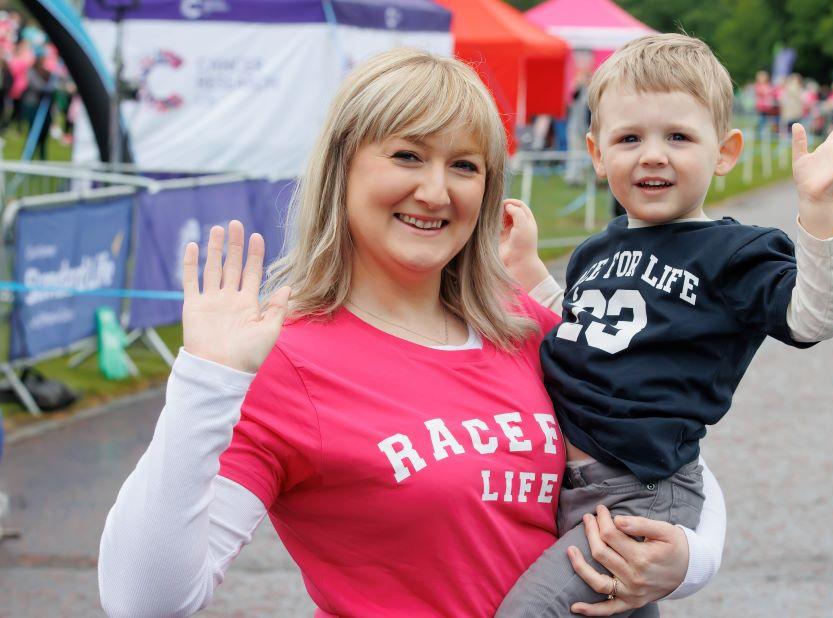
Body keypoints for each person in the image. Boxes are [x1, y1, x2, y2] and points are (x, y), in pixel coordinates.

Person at [98, 49, 727, 617]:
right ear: (342, 169)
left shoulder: (522, 324)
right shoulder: (283, 362)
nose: (435, 191)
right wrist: (206, 380)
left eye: (463, 166)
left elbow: (671, 465)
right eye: (406, 155)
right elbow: (144, 600)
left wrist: (687, 564)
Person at [495, 33, 833, 616]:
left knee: (530, 612)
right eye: (629, 138)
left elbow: (815, 317)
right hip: (572, 488)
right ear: (598, 155)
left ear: (724, 152)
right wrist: (527, 269)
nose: (652, 155)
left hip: (639, 492)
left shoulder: (732, 252)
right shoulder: (596, 251)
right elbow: (582, 330)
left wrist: (819, 210)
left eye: (678, 136)